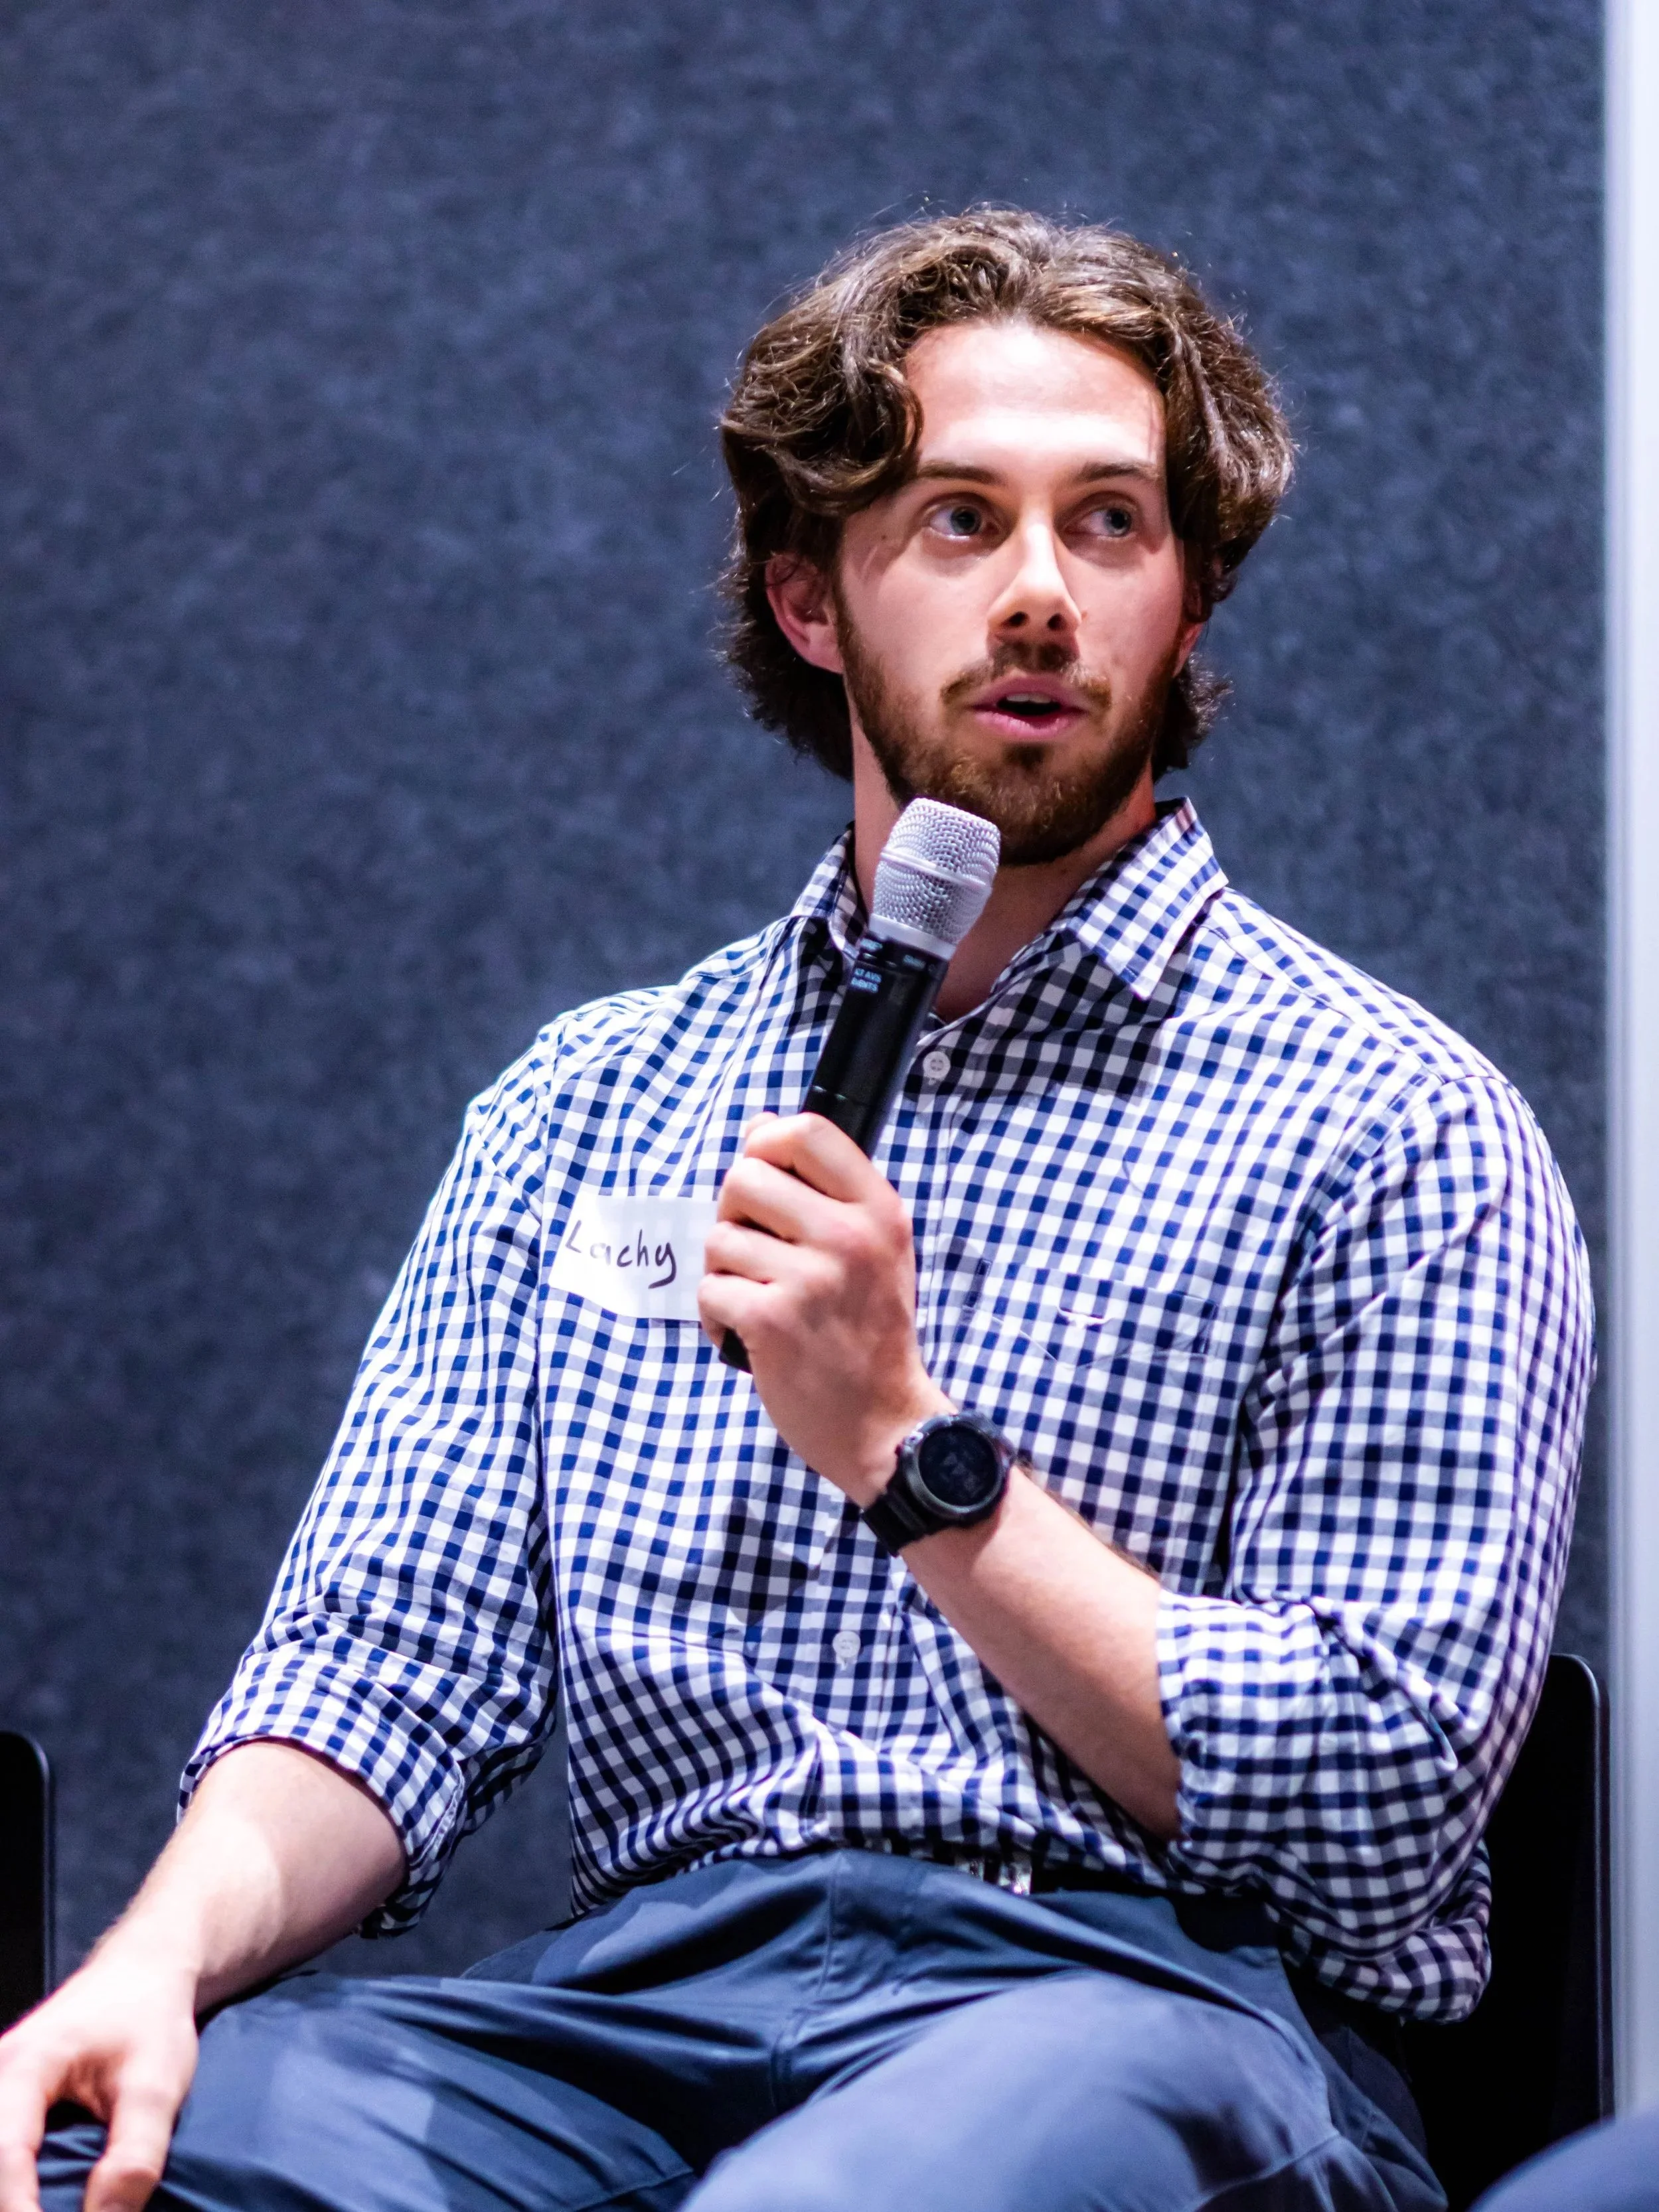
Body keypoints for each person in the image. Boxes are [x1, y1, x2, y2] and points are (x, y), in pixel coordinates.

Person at [0, 210, 1593, 2212]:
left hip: (1128, 2004)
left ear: (1188, 610)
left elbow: (1381, 1801)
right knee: (127, 2164)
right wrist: (146, 1968)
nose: (1037, 594)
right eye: (955, 521)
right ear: (810, 598)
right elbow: (379, 1666)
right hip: (633, 2010)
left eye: (1109, 526)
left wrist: (910, 1459)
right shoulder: (583, 1114)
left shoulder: (1397, 1127)